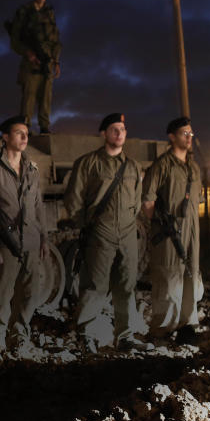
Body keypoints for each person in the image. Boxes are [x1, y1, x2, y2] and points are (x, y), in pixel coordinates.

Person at [63, 113, 151, 353]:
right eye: (114, 129)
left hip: (127, 234)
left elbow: (136, 199)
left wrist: (129, 225)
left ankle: (125, 336)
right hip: (99, 233)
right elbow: (74, 199)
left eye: (123, 128)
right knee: (95, 286)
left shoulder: (132, 166)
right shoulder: (88, 162)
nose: (120, 133)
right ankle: (87, 335)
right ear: (104, 133)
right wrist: (87, 226)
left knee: (126, 285)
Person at [0, 115, 46, 352]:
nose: (25, 137)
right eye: (19, 133)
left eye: (26, 133)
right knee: (0, 294)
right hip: (5, 242)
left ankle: (19, 336)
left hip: (31, 242)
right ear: (5, 137)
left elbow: (38, 207)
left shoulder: (32, 169)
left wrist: (44, 238)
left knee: (29, 293)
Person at [141, 116, 203, 343]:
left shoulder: (193, 168)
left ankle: (187, 325)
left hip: (191, 231)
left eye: (191, 134)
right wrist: (160, 226)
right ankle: (163, 328)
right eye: (184, 134)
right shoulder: (161, 165)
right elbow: (147, 202)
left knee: (191, 273)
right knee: (168, 277)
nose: (189, 138)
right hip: (169, 231)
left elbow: (198, 201)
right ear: (172, 137)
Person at [6, 0, 62, 134]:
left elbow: (56, 39)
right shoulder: (24, 11)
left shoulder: (49, 13)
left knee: (46, 95)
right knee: (29, 94)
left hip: (48, 60)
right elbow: (15, 40)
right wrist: (28, 53)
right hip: (31, 61)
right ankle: (25, 126)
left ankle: (44, 127)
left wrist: (56, 60)